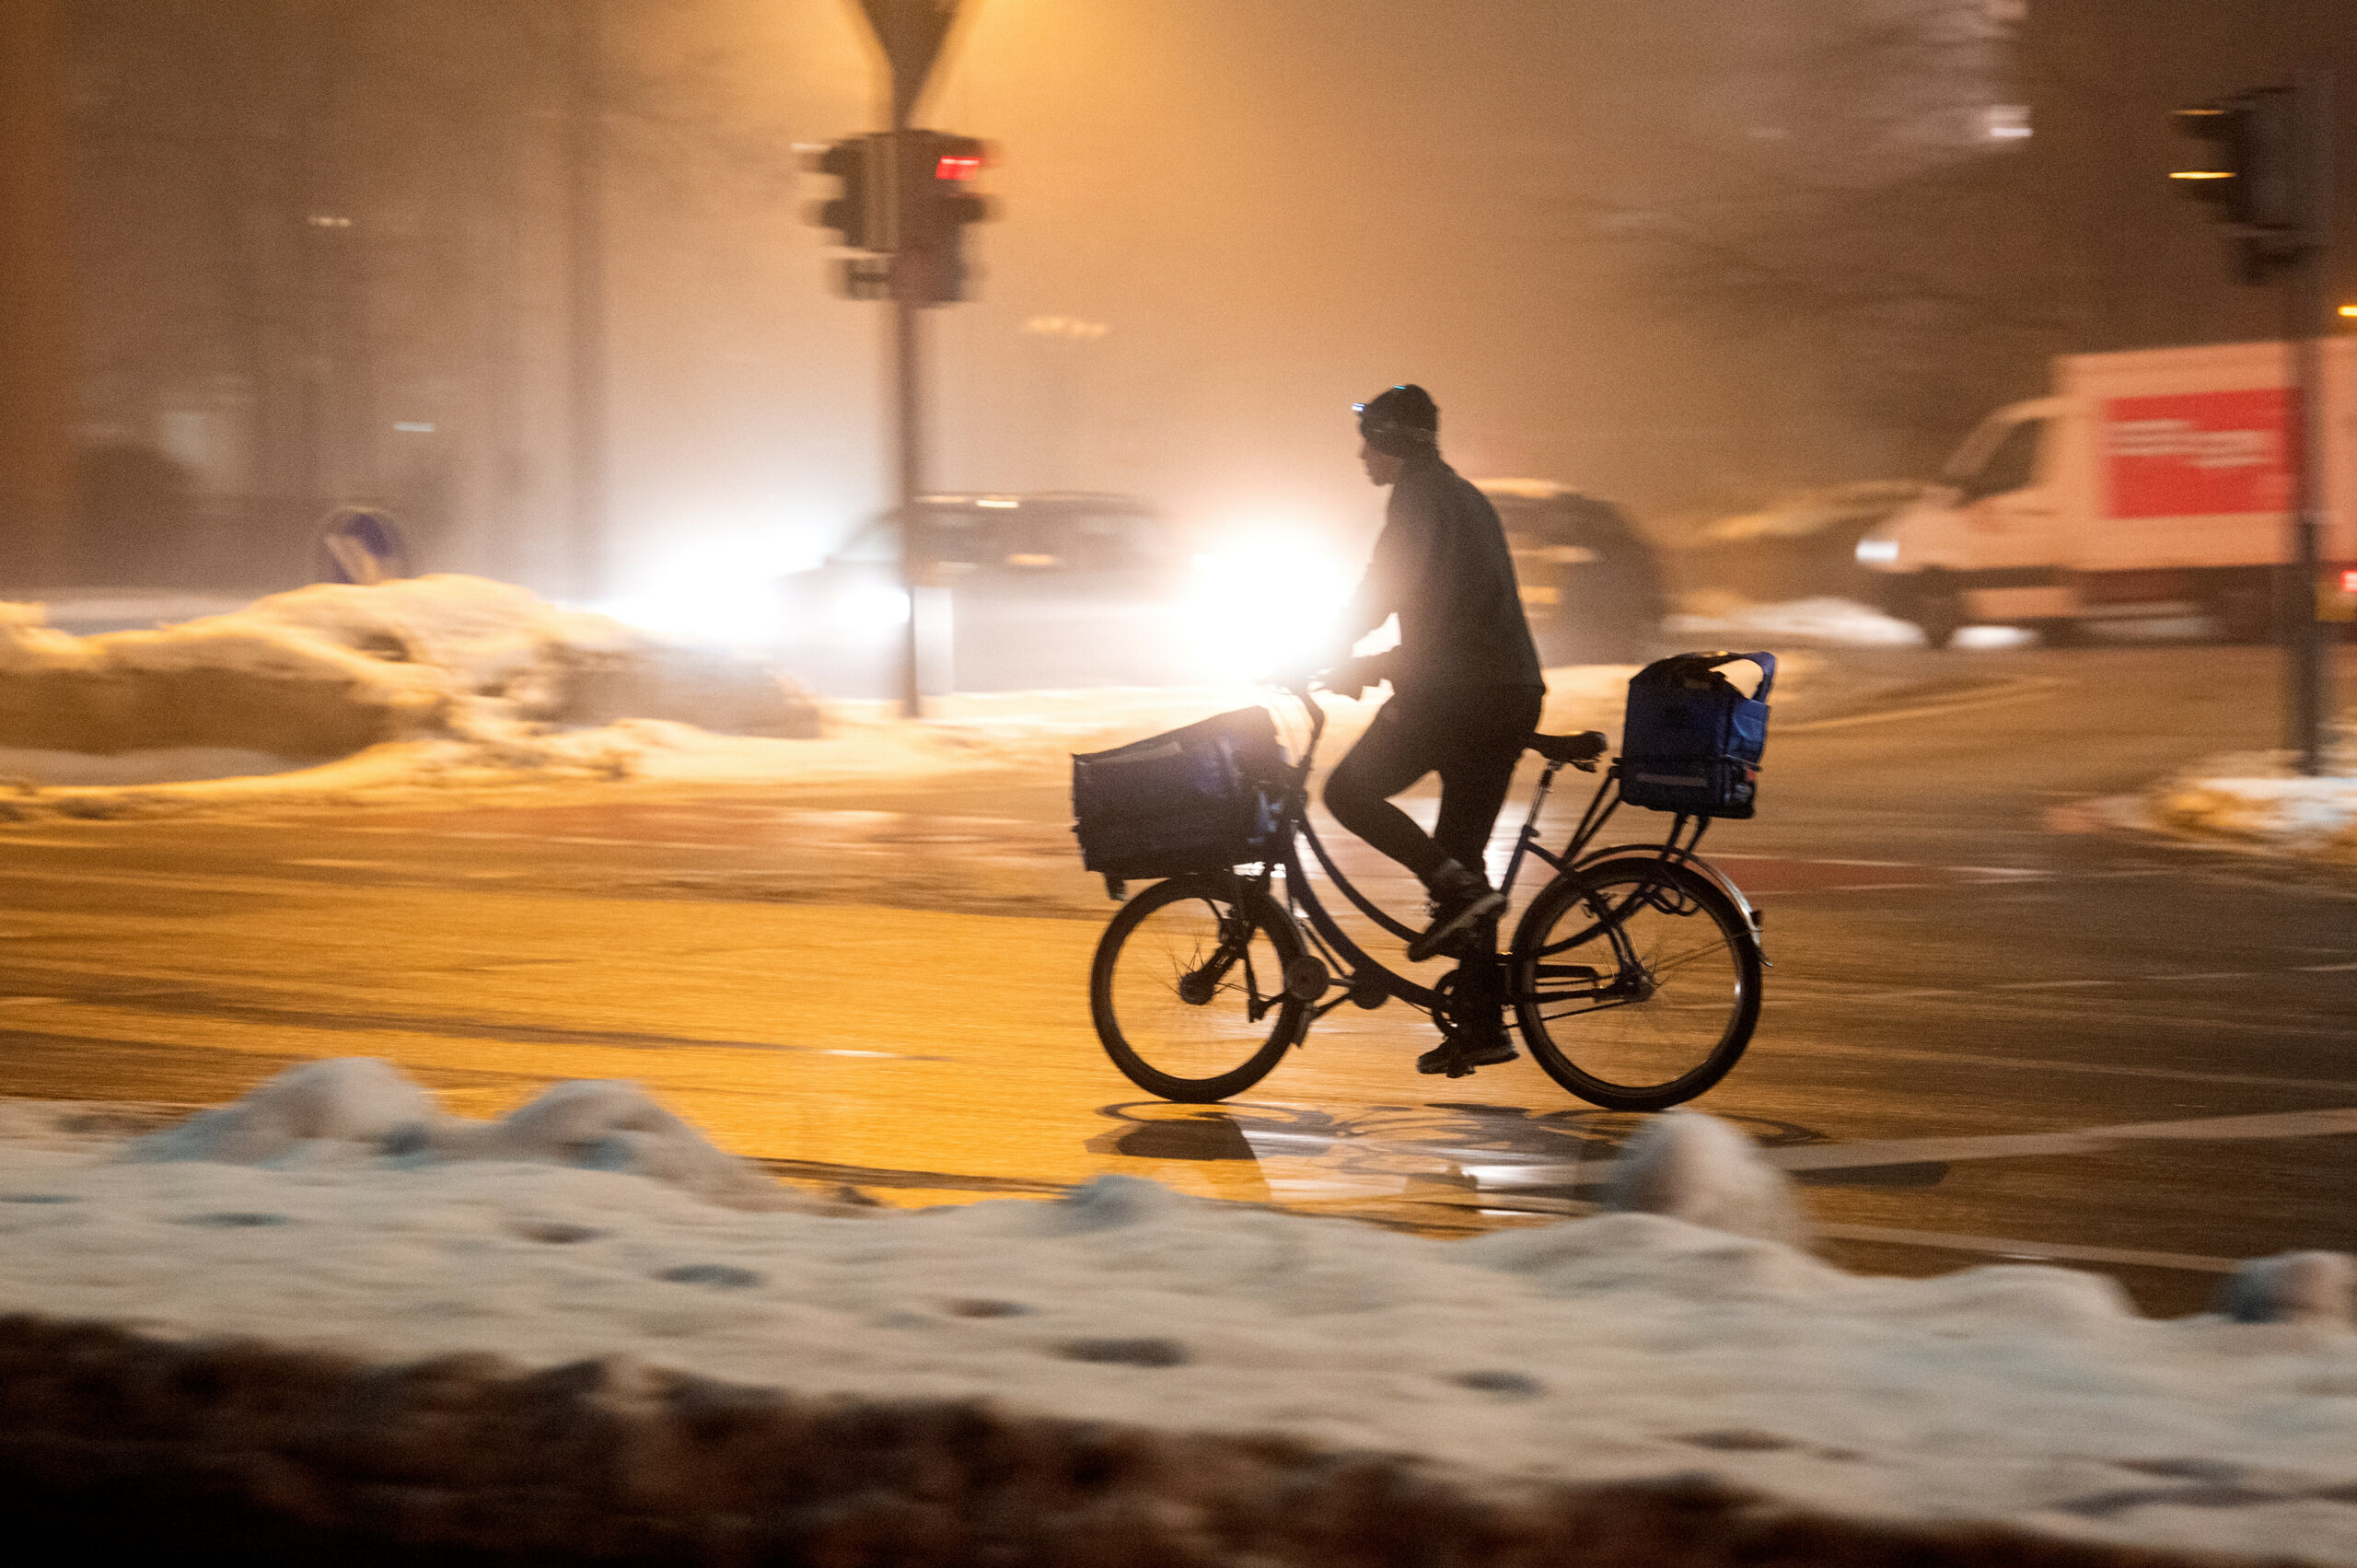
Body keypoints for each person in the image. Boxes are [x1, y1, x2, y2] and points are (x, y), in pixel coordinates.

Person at [1318, 385, 1545, 1077]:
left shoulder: (1417, 498)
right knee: (1462, 869)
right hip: (1506, 691)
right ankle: (1482, 1026)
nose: (1362, 455)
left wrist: (1323, 653)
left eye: (1371, 441)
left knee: (1347, 793)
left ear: (1395, 441)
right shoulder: (1462, 495)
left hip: (1461, 695)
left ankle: (1457, 893)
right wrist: (1378, 661)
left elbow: (1385, 588)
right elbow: (1443, 606)